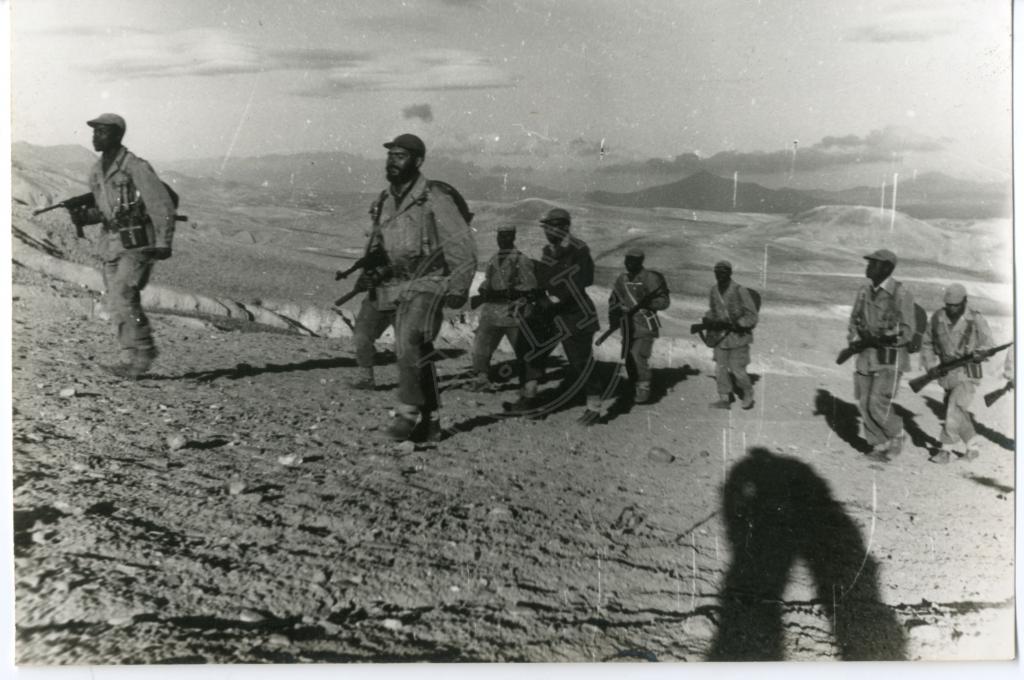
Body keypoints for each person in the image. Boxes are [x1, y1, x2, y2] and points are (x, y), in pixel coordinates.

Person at [369, 134, 477, 442]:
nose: (392, 161)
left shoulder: (434, 198)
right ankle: (432, 423)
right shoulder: (386, 200)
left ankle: (407, 413)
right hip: (397, 284)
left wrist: (458, 287)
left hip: (431, 281)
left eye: (401, 156)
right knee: (420, 350)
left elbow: (461, 244)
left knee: (408, 338)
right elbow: (378, 244)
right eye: (390, 155)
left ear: (418, 162)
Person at [68, 113, 177, 378]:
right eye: (94, 132)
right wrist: (86, 217)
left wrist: (163, 241)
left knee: (123, 294)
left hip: (138, 241)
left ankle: (143, 351)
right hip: (111, 242)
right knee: (116, 300)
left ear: (117, 135)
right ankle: (132, 357)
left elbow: (160, 203)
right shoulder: (97, 170)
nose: (96, 136)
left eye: (102, 132)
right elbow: (106, 210)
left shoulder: (135, 166)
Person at [509, 208, 605, 424]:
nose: (547, 232)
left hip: (575, 313)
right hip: (551, 313)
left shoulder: (579, 250)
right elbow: (543, 279)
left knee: (580, 361)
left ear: (564, 227)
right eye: (546, 228)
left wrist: (555, 297)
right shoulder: (547, 250)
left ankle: (594, 407)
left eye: (552, 227)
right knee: (533, 353)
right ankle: (529, 400)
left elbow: (583, 279)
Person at [846, 249, 916, 461]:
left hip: (889, 358)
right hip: (866, 356)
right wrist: (855, 341)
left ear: (886, 268)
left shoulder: (901, 294)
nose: (868, 267)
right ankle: (878, 445)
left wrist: (887, 336)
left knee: (877, 400)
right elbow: (854, 321)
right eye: (869, 263)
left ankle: (896, 435)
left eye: (874, 264)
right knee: (864, 401)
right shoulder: (863, 292)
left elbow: (908, 329)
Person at [920, 283, 994, 464]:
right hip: (946, 373)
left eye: (956, 305)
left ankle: (945, 449)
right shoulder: (938, 317)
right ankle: (972, 446)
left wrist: (981, 352)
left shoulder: (975, 319)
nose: (952, 308)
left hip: (968, 372)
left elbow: (989, 344)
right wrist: (931, 367)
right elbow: (927, 344)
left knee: (954, 406)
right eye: (949, 304)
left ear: (965, 301)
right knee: (955, 410)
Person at [468, 224, 539, 392]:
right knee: (481, 348)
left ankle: (528, 385)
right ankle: (481, 379)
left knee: (523, 352)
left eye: (507, 236)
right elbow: (487, 280)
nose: (503, 239)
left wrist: (512, 295)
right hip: (491, 312)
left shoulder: (522, 260)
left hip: (512, 314)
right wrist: (484, 291)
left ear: (513, 237)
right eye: (500, 236)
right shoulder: (493, 259)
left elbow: (531, 287)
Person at [607, 248, 670, 404]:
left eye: (632, 261)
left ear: (640, 262)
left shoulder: (650, 278)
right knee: (628, 357)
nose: (628, 264)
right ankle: (634, 384)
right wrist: (614, 316)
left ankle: (644, 387)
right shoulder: (622, 279)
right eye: (626, 261)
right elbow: (614, 300)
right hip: (627, 325)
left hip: (645, 324)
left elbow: (664, 302)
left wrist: (647, 303)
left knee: (637, 355)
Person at [703, 260, 758, 410]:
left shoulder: (740, 290)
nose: (720, 275)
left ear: (730, 273)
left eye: (723, 272)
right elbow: (713, 310)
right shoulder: (714, 290)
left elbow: (752, 316)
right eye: (717, 272)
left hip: (738, 338)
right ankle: (724, 398)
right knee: (720, 369)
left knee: (737, 369)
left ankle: (748, 393)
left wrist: (740, 324)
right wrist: (708, 320)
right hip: (720, 337)